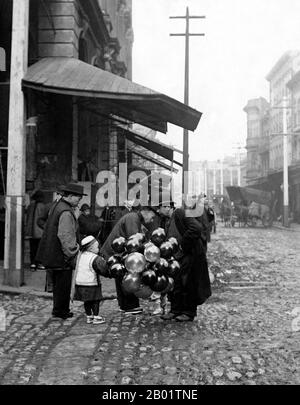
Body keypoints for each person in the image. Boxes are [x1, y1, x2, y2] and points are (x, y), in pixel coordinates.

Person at [36, 183, 87, 320]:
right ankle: (61, 311)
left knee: (59, 285)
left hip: (53, 253)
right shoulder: (65, 211)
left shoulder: (58, 206)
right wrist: (73, 253)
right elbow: (65, 235)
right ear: (69, 196)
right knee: (63, 285)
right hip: (61, 255)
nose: (79, 200)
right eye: (78, 197)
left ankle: (59, 310)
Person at [100, 206, 157, 314]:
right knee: (127, 275)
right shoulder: (133, 218)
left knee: (121, 275)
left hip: (115, 252)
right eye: (152, 216)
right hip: (114, 253)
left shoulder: (133, 217)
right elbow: (133, 241)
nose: (152, 220)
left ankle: (125, 305)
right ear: (146, 212)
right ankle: (129, 305)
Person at [161, 204, 212, 322]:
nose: (159, 211)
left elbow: (196, 228)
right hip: (177, 256)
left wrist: (183, 245)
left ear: (167, 206)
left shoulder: (180, 213)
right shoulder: (167, 219)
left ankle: (189, 312)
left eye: (160, 208)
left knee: (189, 283)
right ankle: (175, 310)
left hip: (190, 254)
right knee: (176, 283)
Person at [71, 235, 109, 324]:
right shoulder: (95, 258)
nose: (98, 248)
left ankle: (89, 316)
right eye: (97, 246)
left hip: (80, 283)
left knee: (87, 301)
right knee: (95, 300)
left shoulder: (79, 256)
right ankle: (96, 316)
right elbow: (102, 269)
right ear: (91, 248)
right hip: (91, 283)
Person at [25, 190, 49, 271]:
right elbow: (44, 219)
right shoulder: (43, 206)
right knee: (40, 249)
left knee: (32, 248)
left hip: (31, 231)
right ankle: (39, 263)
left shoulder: (30, 206)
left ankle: (33, 264)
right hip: (40, 231)